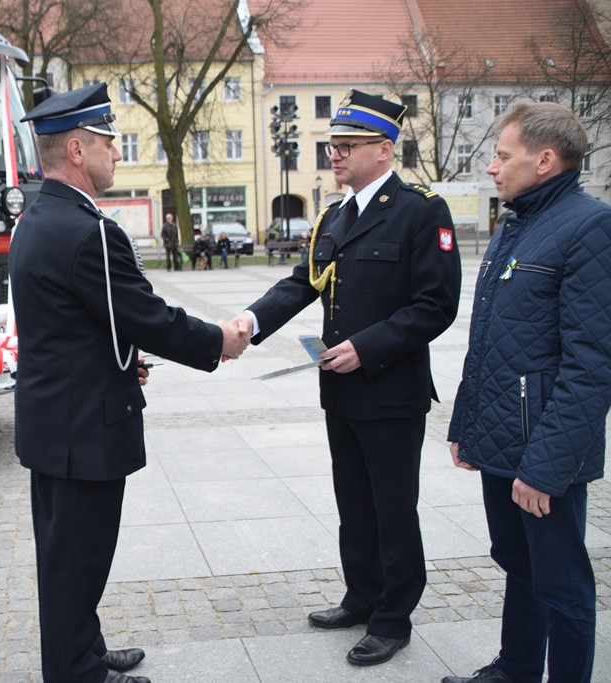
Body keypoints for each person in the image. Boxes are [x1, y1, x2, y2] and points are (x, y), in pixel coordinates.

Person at [9, 83, 248, 683]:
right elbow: (146, 316)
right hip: (83, 429)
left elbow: (72, 325)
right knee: (78, 562)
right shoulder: (89, 231)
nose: (118, 155)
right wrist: (217, 340)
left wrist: (117, 360)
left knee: (70, 556)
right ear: (75, 150)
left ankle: (82, 648)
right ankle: (77, 673)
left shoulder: (37, 219)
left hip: (59, 419)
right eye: (109, 144)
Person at [230, 90, 461, 667]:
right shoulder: (335, 214)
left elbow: (436, 305)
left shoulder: (420, 210)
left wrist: (368, 346)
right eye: (332, 145)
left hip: (391, 390)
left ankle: (393, 617)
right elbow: (302, 282)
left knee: (392, 506)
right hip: (341, 388)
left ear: (384, 150)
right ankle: (360, 596)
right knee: (353, 502)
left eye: (347, 146)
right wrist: (250, 320)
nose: (335, 155)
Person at [444, 103, 611, 683]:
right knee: (519, 564)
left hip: (546, 454)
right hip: (500, 439)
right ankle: (516, 669)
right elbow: (489, 340)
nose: (492, 167)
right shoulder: (518, 222)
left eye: (502, 154)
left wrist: (546, 467)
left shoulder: (590, 226)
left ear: (544, 160)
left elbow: (591, 365)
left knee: (563, 585)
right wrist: (465, 424)